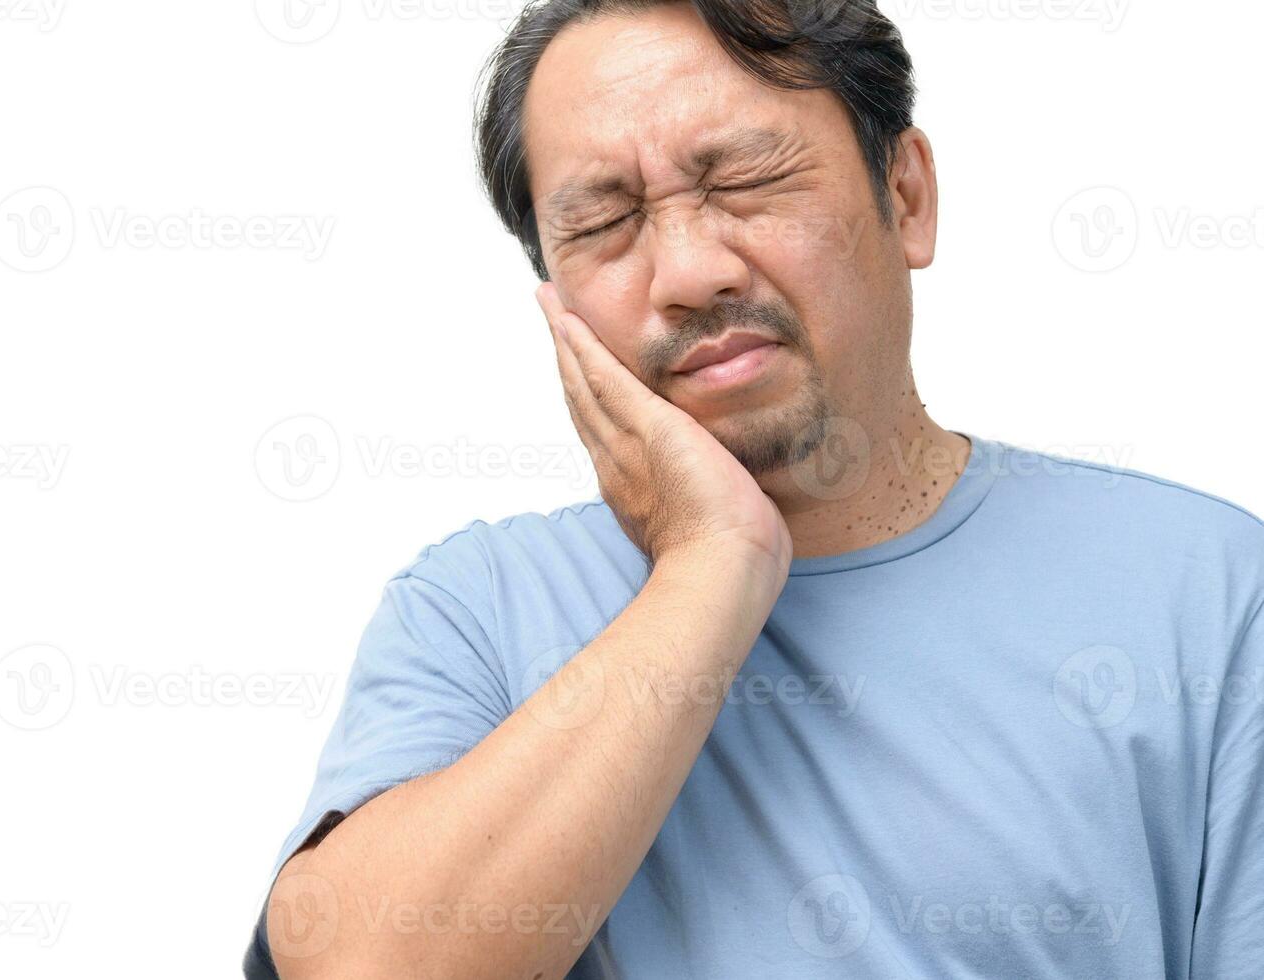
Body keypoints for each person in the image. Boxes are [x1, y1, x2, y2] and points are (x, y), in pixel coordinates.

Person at [244, 1, 1264, 976]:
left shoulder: (1208, 593)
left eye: (743, 180)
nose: (687, 271)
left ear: (902, 195)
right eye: (605, 220)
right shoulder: (473, 608)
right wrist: (712, 561)